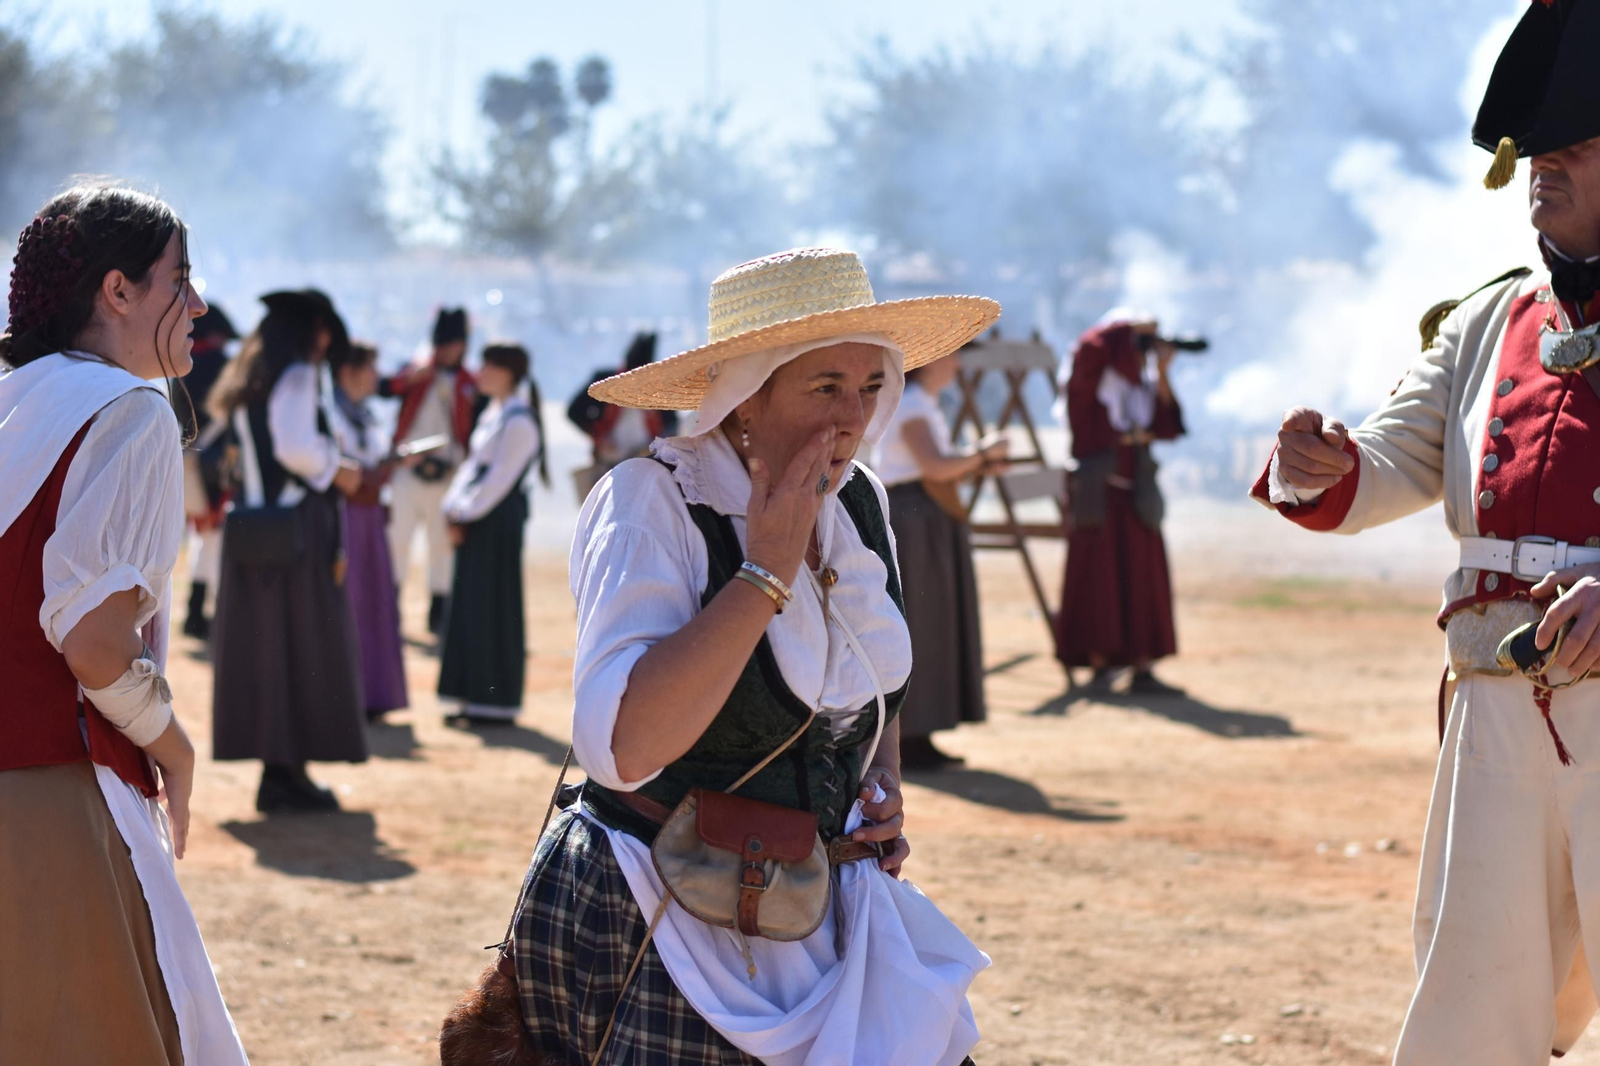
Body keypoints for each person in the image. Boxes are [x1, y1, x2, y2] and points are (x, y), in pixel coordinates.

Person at [478, 248, 995, 1064]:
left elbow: (868, 681)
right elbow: (623, 749)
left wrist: (880, 776)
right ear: (746, 397)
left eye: (869, 385)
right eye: (824, 386)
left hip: (816, 903)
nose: (853, 416)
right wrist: (764, 573)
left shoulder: (860, 500)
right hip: (661, 911)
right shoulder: (652, 501)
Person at [1253, 4, 1600, 1061]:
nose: (1545, 166)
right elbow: (1380, 469)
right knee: (1470, 1005)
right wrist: (1317, 466)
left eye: (1577, 146)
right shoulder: (1484, 320)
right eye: (1537, 149)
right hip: (1495, 699)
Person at [0, 182, 248, 1063]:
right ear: (118, 291)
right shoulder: (128, 412)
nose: (200, 302)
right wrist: (174, 747)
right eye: (180, 277)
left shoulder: (13, 400)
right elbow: (96, 644)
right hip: (49, 799)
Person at [208, 288, 368, 813]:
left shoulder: (250, 377)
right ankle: (285, 772)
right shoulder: (297, 375)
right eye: (323, 327)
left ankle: (282, 769)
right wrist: (338, 469)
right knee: (300, 647)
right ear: (309, 330)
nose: (327, 339)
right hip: (297, 528)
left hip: (257, 526)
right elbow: (296, 448)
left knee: (270, 650)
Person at [872, 348, 1007, 769]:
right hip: (915, 521)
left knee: (931, 623)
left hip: (922, 517)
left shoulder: (919, 403)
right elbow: (933, 465)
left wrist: (975, 462)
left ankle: (921, 733)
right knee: (923, 623)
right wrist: (983, 454)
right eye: (951, 358)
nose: (957, 366)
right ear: (929, 363)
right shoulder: (912, 403)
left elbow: (935, 466)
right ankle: (912, 734)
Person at [1055, 308, 1185, 695]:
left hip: (1137, 490)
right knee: (1099, 577)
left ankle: (1142, 664)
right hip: (1101, 493)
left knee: (1143, 575)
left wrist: (1162, 369)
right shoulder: (1091, 378)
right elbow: (1090, 351)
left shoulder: (1143, 382)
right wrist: (1129, 329)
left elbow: (1167, 425)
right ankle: (1099, 663)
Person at [437, 342, 548, 724]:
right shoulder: (496, 414)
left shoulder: (519, 421)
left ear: (507, 372)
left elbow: (499, 481)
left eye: (488, 366)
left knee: (493, 606)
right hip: (477, 521)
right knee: (473, 606)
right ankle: (470, 697)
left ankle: (495, 704)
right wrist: (452, 509)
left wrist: (462, 514)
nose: (480, 373)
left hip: (495, 524)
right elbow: (472, 471)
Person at [380, 307, 476, 635]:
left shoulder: (469, 382)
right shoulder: (415, 372)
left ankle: (439, 614)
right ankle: (389, 608)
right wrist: (410, 379)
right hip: (408, 471)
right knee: (398, 541)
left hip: (447, 474)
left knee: (441, 546)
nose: (448, 350)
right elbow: (385, 388)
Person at [326, 340, 409, 720]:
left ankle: (372, 695)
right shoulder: (330, 412)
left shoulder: (363, 413)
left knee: (373, 599)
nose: (377, 377)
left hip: (369, 515)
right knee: (351, 599)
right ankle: (345, 695)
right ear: (348, 372)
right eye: (370, 368)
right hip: (344, 515)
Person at [175, 303, 238, 639]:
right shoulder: (224, 365)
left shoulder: (177, 367)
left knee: (203, 536)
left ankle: (195, 612)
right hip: (214, 462)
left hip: (183, 461)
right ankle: (202, 614)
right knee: (214, 538)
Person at [567, 330, 681, 499]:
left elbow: (672, 425)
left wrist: (653, 447)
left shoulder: (658, 390)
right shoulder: (604, 381)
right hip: (609, 462)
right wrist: (598, 437)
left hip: (645, 463)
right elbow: (574, 412)